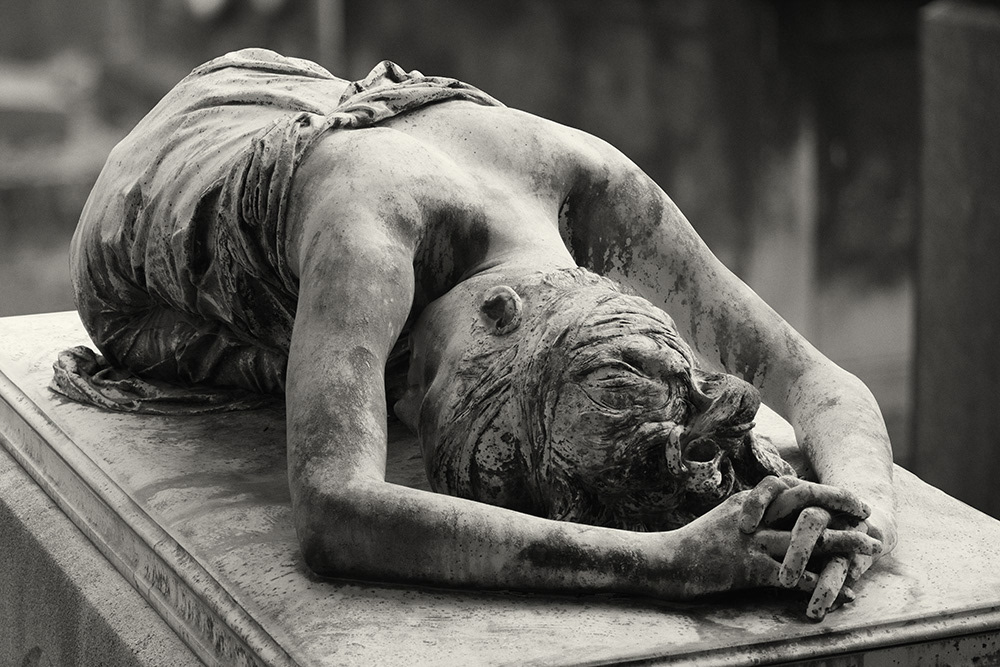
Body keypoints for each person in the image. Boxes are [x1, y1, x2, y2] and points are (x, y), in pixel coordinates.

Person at [60, 49, 896, 621]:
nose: (413, 399)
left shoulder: (593, 188)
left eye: (421, 388)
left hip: (319, 100)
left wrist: (858, 525)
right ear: (501, 314)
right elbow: (333, 512)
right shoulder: (370, 233)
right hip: (151, 235)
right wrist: (667, 564)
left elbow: (824, 384)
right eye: (434, 388)